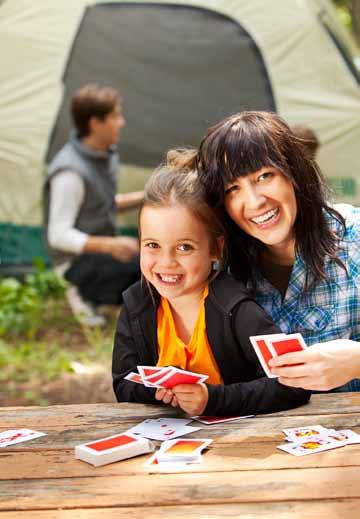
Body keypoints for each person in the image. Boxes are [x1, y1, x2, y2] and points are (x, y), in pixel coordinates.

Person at [112, 159, 310, 417]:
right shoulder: (136, 304)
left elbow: (293, 383)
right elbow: (123, 383)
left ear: (216, 249)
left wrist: (213, 398)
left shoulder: (238, 310)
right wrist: (159, 392)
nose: (166, 263)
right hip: (167, 446)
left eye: (185, 247)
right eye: (152, 245)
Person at [194, 110, 360, 392]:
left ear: (294, 173)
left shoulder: (353, 239)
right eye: (233, 188)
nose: (255, 201)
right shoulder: (221, 267)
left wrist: (356, 361)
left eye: (264, 176)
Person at [43, 84, 143, 319]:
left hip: (101, 252)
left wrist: (147, 196)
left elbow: (102, 203)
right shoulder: (70, 172)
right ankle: (83, 292)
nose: (122, 122)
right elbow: (58, 234)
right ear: (95, 123)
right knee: (149, 270)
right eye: (115, 116)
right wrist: (111, 245)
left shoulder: (104, 155)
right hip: (75, 263)